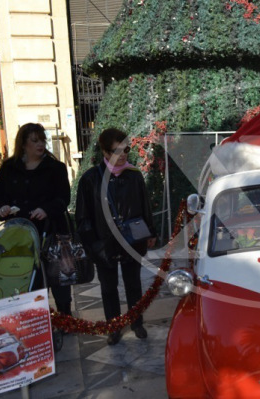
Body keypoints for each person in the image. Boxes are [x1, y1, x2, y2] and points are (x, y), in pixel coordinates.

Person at [75, 128, 156, 345]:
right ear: (104, 151)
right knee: (108, 287)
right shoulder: (90, 179)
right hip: (104, 242)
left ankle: (136, 322)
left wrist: (151, 231)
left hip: (132, 240)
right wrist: (94, 244)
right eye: (116, 151)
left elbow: (144, 206)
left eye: (126, 149)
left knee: (133, 284)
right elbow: (83, 217)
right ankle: (113, 327)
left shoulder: (134, 176)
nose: (122, 155)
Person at [0, 123, 72, 315]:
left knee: (58, 279)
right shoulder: (8, 168)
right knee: (29, 278)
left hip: (51, 231)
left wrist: (47, 209)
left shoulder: (56, 168)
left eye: (42, 140)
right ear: (23, 144)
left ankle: (65, 318)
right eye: (35, 140)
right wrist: (2, 208)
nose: (40, 144)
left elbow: (64, 198)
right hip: (19, 235)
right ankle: (36, 321)